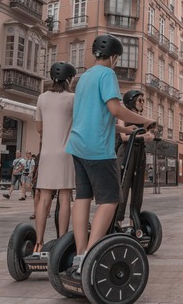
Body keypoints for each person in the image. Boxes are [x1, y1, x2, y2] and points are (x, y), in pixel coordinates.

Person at [66, 34, 156, 274]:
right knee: (110, 200)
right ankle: (92, 254)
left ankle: (80, 253)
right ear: (115, 57)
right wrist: (145, 121)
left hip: (77, 144)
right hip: (97, 148)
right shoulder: (107, 74)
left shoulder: (83, 77)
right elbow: (115, 108)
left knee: (83, 197)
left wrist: (123, 129)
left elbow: (92, 114)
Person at [31, 61, 78, 252]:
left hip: (47, 154)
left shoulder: (42, 98)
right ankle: (61, 242)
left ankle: (38, 242)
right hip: (66, 153)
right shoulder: (73, 98)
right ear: (69, 79)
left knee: (44, 198)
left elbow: (39, 128)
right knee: (65, 198)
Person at [115, 90, 155, 225]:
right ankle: (118, 222)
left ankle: (134, 222)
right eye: (140, 100)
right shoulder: (123, 116)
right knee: (123, 187)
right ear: (131, 100)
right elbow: (124, 137)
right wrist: (143, 136)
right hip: (126, 151)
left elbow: (150, 132)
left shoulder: (142, 118)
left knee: (138, 189)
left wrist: (151, 135)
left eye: (143, 100)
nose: (142, 103)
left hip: (139, 151)